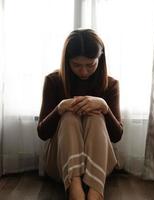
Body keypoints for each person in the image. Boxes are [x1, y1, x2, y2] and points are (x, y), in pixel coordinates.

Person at [37, 29, 123, 200]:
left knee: (96, 115)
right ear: (67, 61)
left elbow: (116, 136)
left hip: (99, 163)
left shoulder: (111, 84)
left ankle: (95, 191)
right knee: (69, 115)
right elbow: (42, 133)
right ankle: (74, 186)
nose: (83, 72)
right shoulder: (54, 81)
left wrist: (105, 107)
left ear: (100, 59)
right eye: (76, 65)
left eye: (90, 65)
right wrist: (60, 108)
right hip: (62, 165)